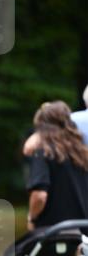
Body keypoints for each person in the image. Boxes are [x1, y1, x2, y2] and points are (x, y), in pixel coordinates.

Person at [22, 100, 88, 233]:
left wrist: (32, 218)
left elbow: (40, 196)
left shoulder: (44, 153)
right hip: (84, 232)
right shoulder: (82, 153)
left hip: (55, 234)